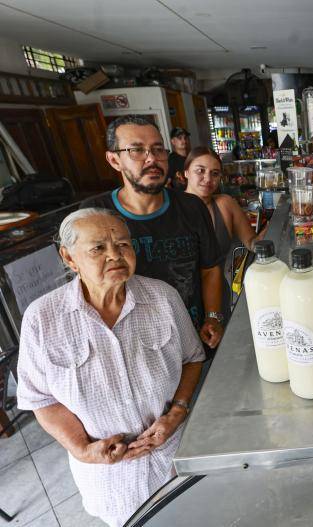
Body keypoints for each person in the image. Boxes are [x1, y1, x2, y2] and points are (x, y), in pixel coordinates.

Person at [15, 208, 205, 527]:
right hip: (112, 482)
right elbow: (41, 399)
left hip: (173, 459)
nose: (115, 255)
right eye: (98, 248)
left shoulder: (163, 297)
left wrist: (177, 412)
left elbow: (192, 358)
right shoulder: (42, 319)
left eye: (123, 245)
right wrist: (82, 449)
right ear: (69, 258)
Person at [82, 115, 224, 349]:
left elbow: (209, 269)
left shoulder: (191, 207)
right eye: (137, 150)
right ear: (114, 160)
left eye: (158, 149)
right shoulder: (95, 215)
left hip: (195, 337)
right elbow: (89, 285)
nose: (152, 159)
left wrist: (213, 317)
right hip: (134, 345)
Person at [183, 146, 262, 316]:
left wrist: (277, 222)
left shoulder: (225, 204)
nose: (208, 179)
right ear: (186, 172)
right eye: (200, 171)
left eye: (215, 173)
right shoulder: (174, 210)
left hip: (220, 298)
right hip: (184, 303)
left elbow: (251, 242)